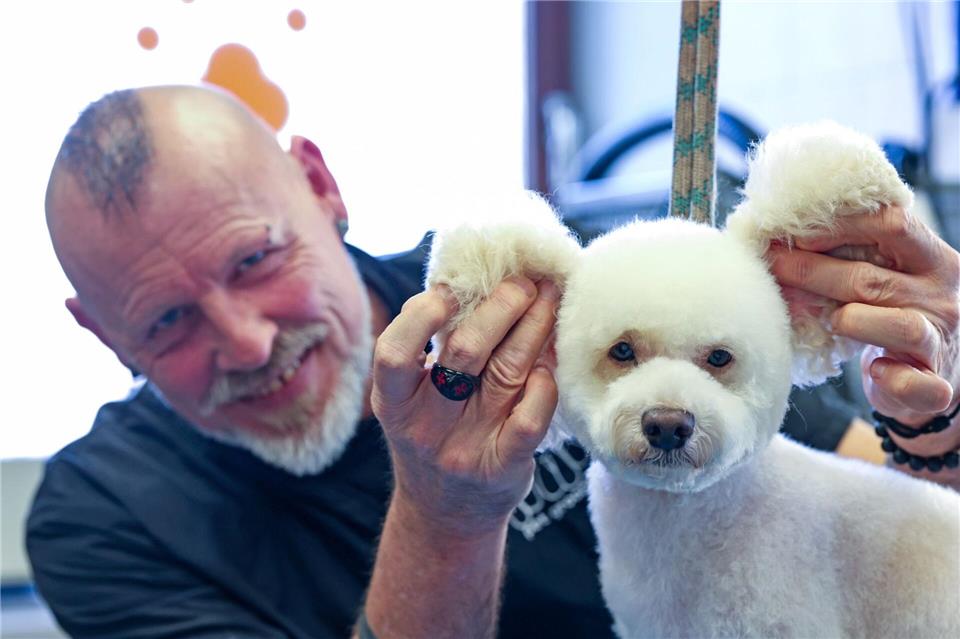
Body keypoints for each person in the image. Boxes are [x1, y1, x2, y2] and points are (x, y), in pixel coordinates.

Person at [27, 84, 960, 639]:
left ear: (319, 186)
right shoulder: (102, 519)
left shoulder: (563, 298)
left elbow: (881, 492)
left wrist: (936, 418)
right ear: (99, 330)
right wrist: (445, 520)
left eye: (254, 261)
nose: (247, 342)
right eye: (165, 321)